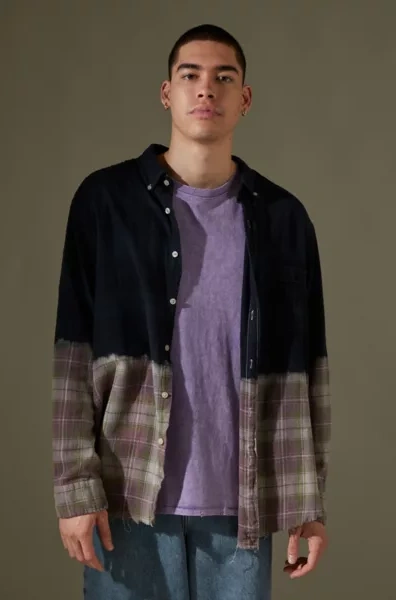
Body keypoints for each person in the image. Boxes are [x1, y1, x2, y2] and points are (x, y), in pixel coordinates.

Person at [52, 23, 331, 600]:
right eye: (191, 75)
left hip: (242, 506)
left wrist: (309, 502)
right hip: (127, 495)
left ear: (244, 98)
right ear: (167, 93)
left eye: (224, 77)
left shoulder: (284, 220)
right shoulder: (106, 203)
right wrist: (74, 488)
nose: (207, 88)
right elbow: (73, 359)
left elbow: (309, 371)